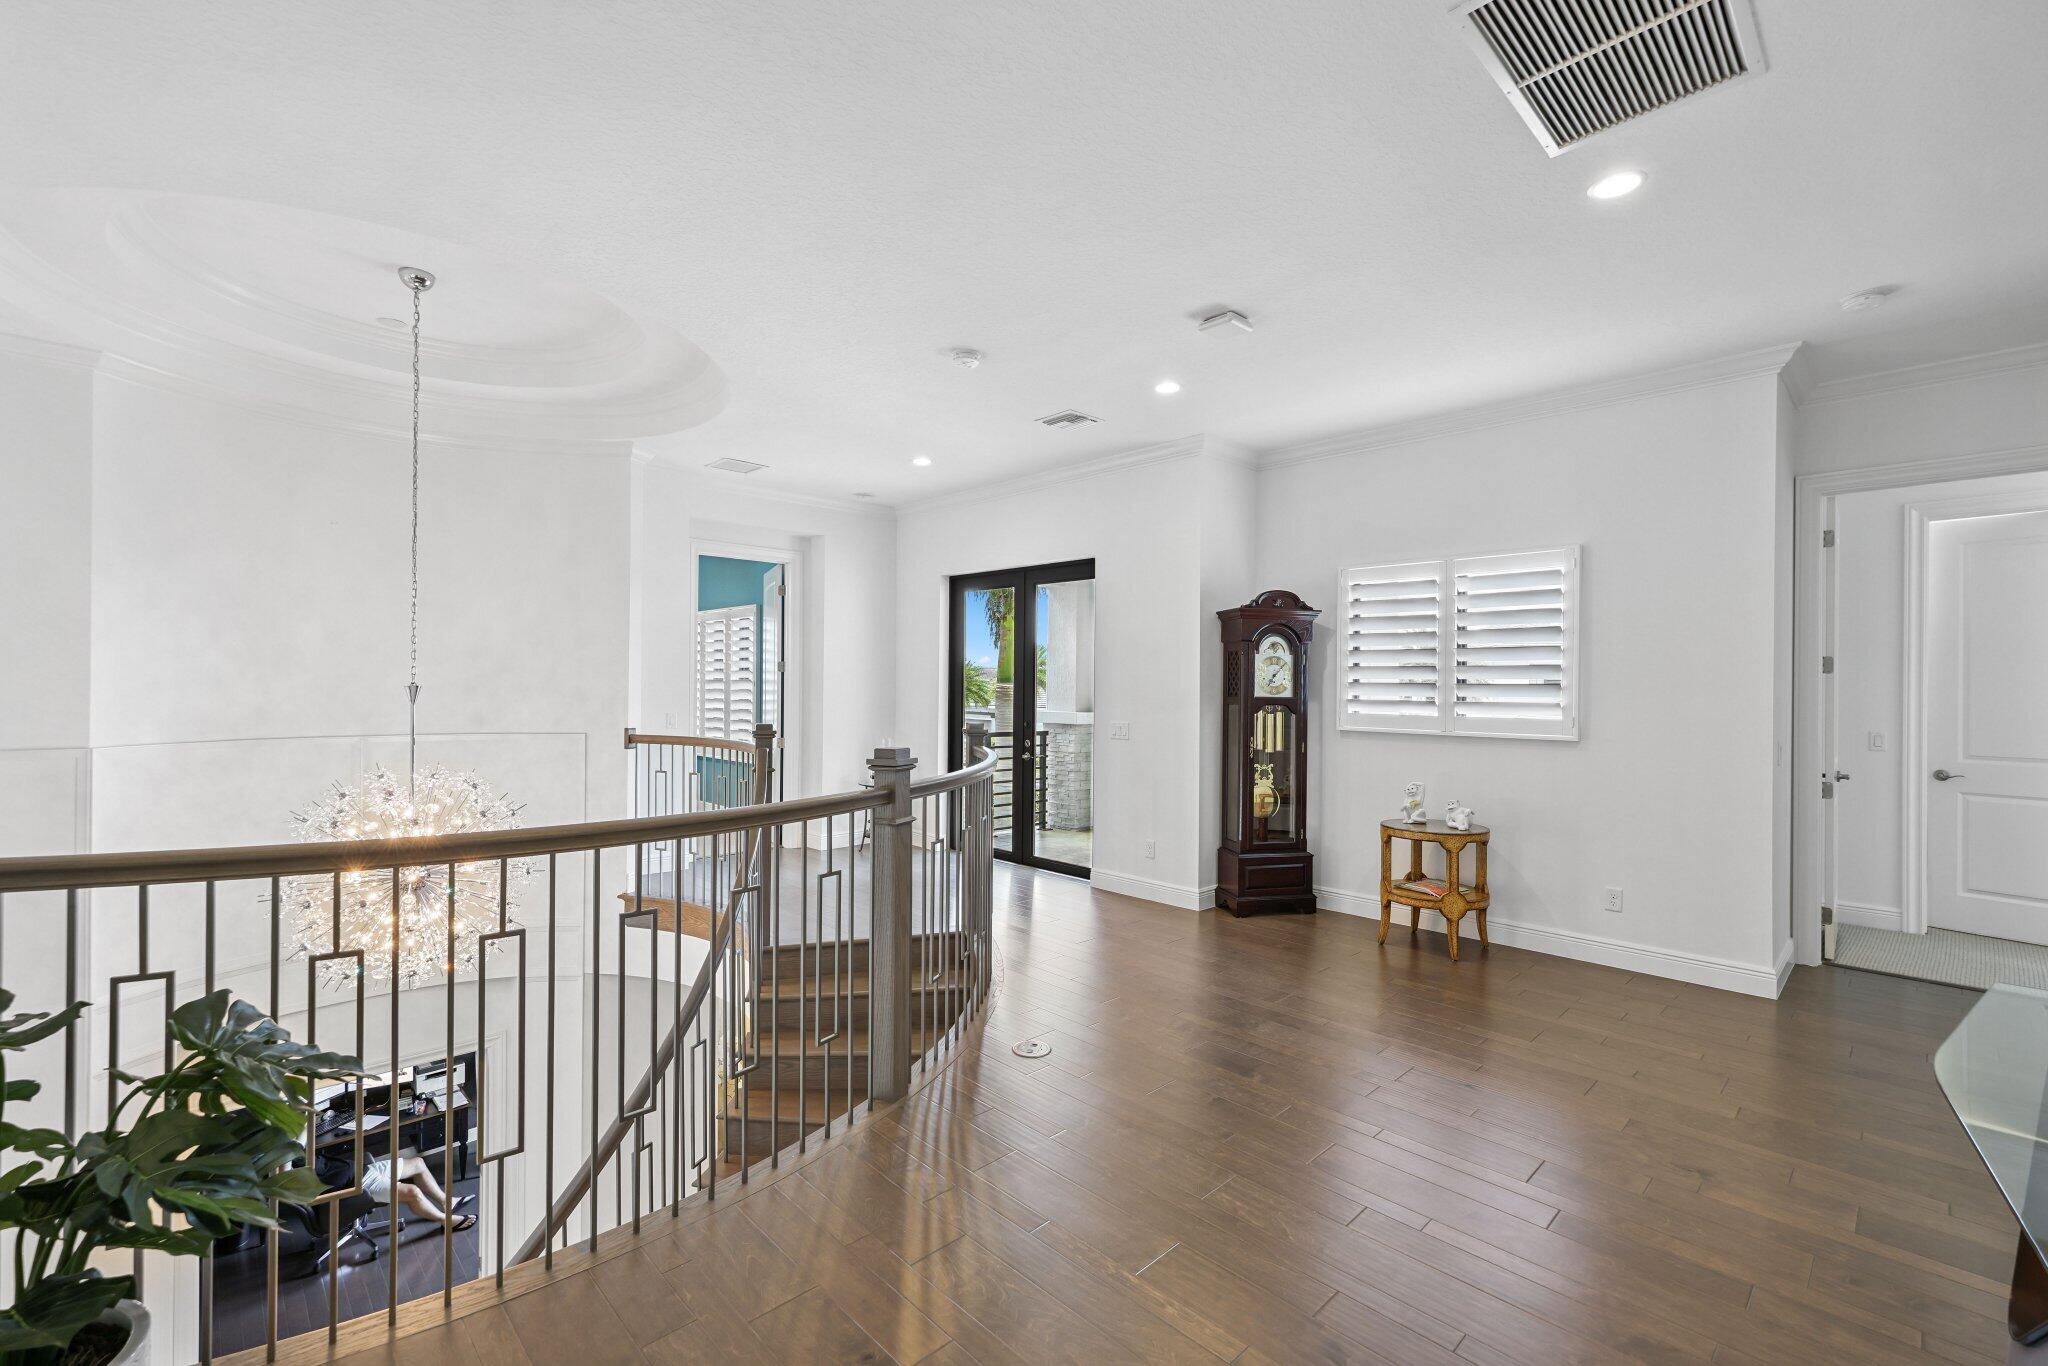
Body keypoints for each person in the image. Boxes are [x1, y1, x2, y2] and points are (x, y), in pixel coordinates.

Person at [360, 1152, 474, 1232]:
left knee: (418, 1163)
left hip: (362, 1169)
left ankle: (447, 1203)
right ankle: (446, 1221)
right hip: (357, 1183)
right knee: (413, 1193)